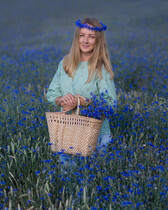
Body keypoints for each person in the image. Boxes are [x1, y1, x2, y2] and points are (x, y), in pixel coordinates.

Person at [47, 17, 117, 169]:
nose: (85, 41)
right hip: (67, 134)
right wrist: (62, 100)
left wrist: (84, 102)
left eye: (91, 37)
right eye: (82, 35)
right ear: (76, 37)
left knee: (93, 182)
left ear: (97, 40)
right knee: (69, 182)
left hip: (95, 136)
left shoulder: (101, 68)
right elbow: (52, 93)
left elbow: (111, 104)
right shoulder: (65, 63)